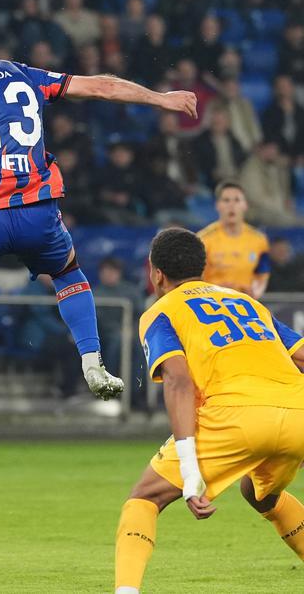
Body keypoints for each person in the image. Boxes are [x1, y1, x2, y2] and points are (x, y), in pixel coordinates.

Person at [0, 19, 197, 478]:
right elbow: (100, 86)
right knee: (69, 273)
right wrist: (161, 98)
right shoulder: (22, 73)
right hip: (37, 210)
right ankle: (93, 363)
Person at [114, 228, 304, 593]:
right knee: (261, 494)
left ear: (156, 274)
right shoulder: (249, 304)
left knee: (145, 498)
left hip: (235, 417)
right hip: (298, 410)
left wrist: (190, 471)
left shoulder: (160, 312)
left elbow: (178, 381)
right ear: (203, 268)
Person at [197, 181, 269, 299]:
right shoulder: (203, 239)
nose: (232, 205)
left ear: (245, 205)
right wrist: (215, 288)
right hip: (212, 303)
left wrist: (255, 292)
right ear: (217, 205)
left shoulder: (259, 240)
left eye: (237, 200)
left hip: (245, 304)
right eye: (226, 200)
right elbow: (194, 279)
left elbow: (262, 274)